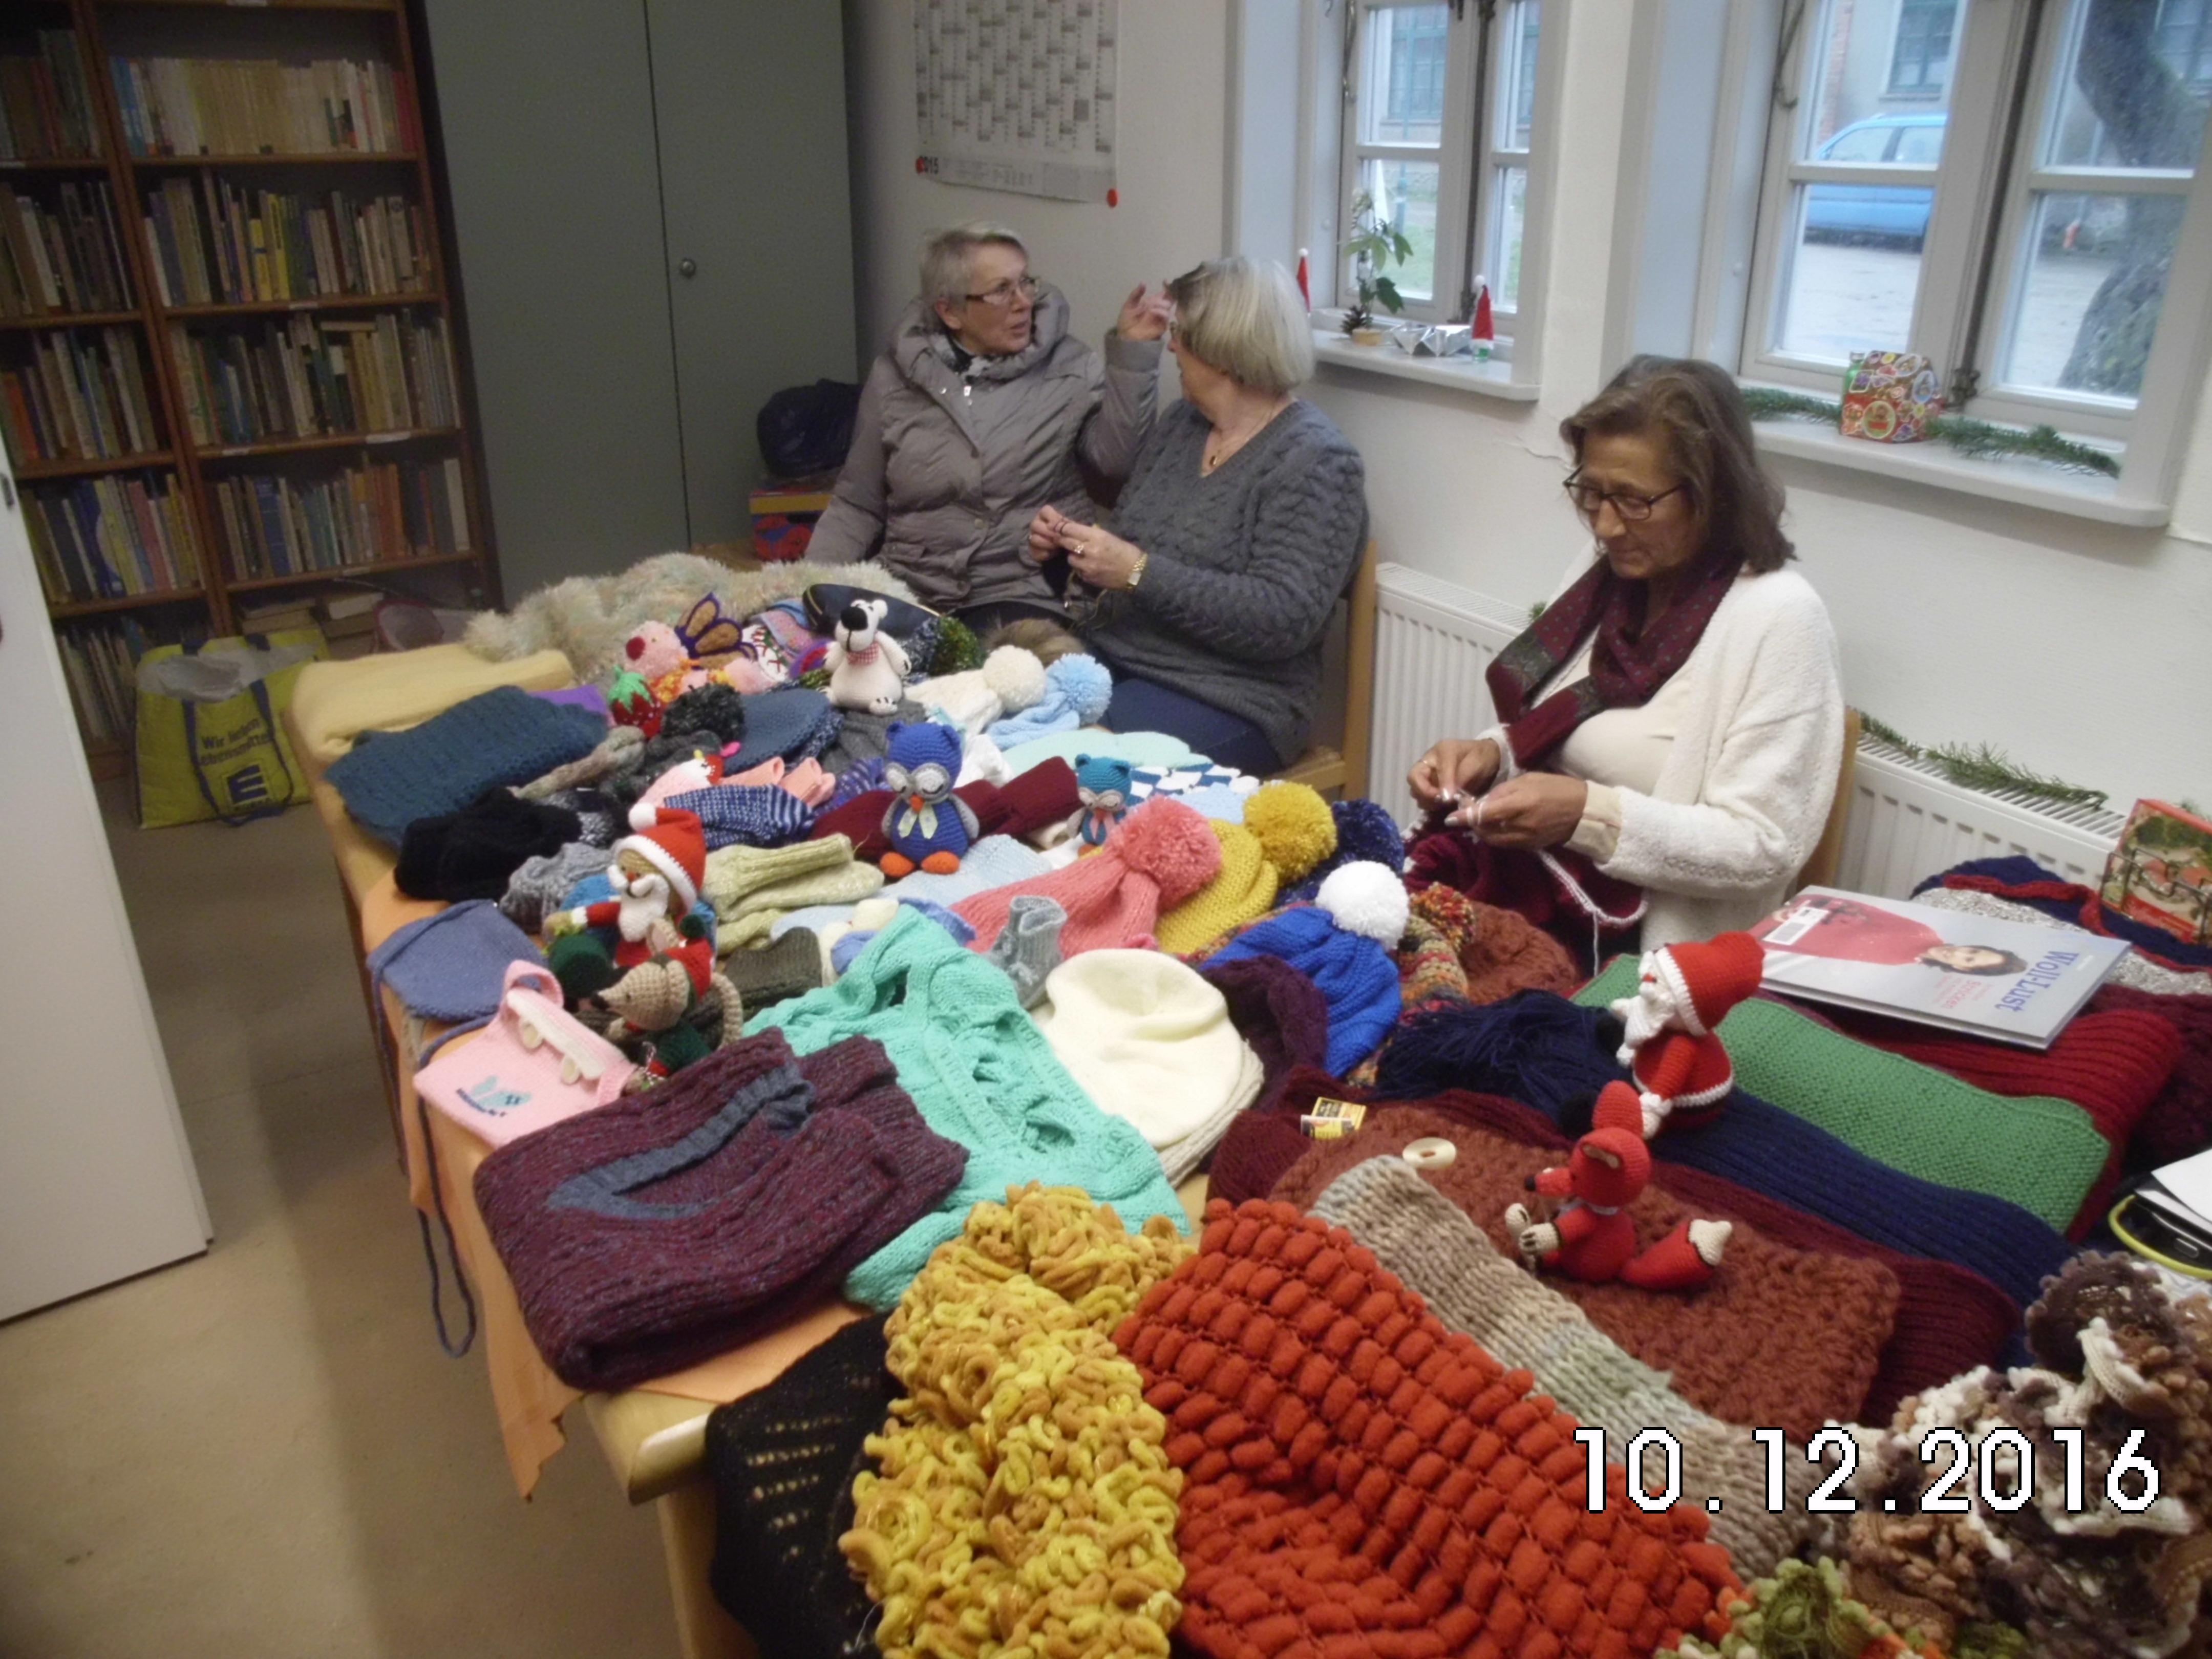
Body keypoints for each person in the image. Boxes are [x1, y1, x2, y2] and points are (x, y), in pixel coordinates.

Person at [1409, 355, 1845, 958]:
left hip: (1642, 957)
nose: (1607, 527)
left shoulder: (1779, 618)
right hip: (1531, 895)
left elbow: (1765, 847)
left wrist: (1589, 818)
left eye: (1636, 501)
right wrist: (1492, 756)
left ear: (1714, 494)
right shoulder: (1607, 575)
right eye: (1592, 493)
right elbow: (1557, 729)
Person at [1025, 257, 1368, 776]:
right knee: (1000, 716)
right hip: (1120, 658)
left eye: (1180, 332)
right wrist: (1065, 556)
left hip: (1232, 696)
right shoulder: (1182, 425)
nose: (1172, 346)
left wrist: (1138, 571)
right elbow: (1124, 572)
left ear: (1223, 350)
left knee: (1067, 766)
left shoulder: (1318, 461)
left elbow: (1283, 619)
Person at [805, 222, 1173, 633]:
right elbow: (857, 505)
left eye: (1025, 283)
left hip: (1020, 588)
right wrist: (805, 590)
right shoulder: (894, 377)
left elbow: (1119, 463)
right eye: (1001, 291)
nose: (1023, 303)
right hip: (910, 586)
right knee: (844, 658)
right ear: (950, 311)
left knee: (1000, 665)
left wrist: (1133, 356)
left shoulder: (1069, 368)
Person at [1753, 893, 2028, 975]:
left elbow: (1821, 950)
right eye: (1972, 950)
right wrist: (1802, 909)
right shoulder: (1923, 932)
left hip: (1775, 937)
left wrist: (1769, 941)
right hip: (1805, 912)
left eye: (1968, 960)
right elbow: (1865, 910)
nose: (1960, 953)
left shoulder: (1898, 963)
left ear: (1961, 968)